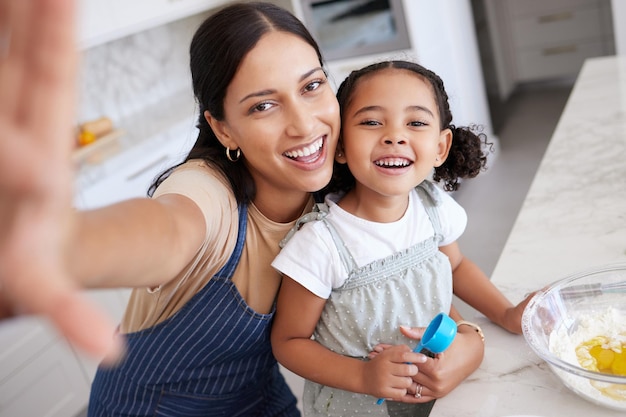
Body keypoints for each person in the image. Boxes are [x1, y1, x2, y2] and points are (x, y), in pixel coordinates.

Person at [2, 1, 344, 416]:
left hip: (256, 396)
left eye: (311, 86)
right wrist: (60, 245)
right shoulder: (209, 194)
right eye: (262, 106)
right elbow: (167, 230)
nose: (305, 125)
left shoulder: (337, 184)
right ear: (222, 129)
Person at [271, 60, 535, 416]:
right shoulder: (321, 243)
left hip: (440, 396)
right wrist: (363, 375)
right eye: (370, 122)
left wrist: (504, 313)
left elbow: (455, 266)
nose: (394, 136)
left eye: (416, 123)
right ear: (340, 146)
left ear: (441, 147)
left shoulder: (433, 207)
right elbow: (289, 343)